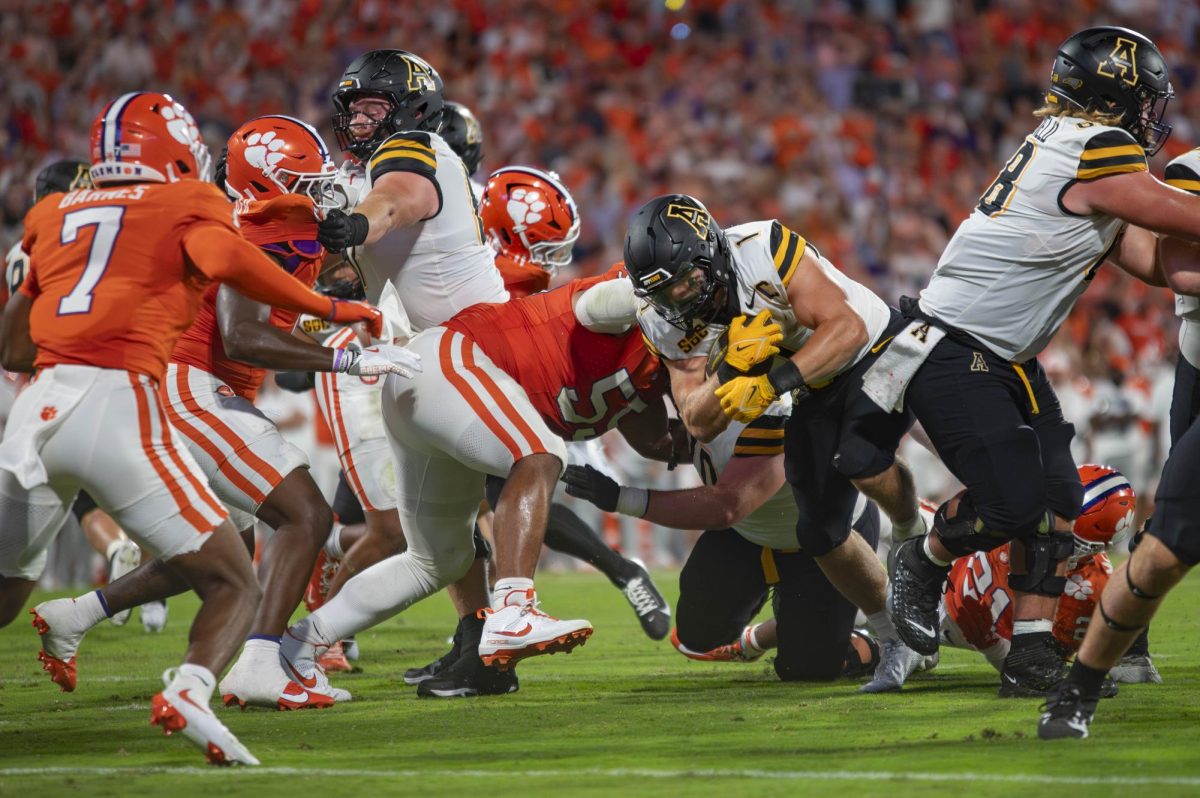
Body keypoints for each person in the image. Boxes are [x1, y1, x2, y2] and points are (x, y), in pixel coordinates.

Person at [0, 92, 382, 765]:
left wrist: (331, 311)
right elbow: (241, 318)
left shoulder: (51, 211)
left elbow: (14, 349)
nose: (322, 192)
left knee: (210, 552)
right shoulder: (200, 207)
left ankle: (78, 613)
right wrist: (339, 326)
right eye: (306, 180)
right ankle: (250, 668)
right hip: (154, 393)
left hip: (42, 407)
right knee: (275, 543)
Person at [881, 26, 1200, 699]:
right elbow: (1181, 218)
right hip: (954, 344)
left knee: (1060, 499)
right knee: (1016, 502)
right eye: (1144, 100)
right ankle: (923, 556)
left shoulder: (1066, 145)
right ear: (1115, 98)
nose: (1151, 116)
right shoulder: (1100, 148)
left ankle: (1029, 654)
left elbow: (1152, 263)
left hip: (999, 352)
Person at [283, 265, 682, 698]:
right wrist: (686, 295)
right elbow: (620, 297)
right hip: (448, 365)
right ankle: (513, 610)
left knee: (435, 561)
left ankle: (298, 645)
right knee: (539, 454)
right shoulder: (615, 302)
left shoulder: (649, 363)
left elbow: (659, 439)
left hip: (426, 389)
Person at [624, 193, 925, 689]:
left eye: (688, 280)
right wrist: (726, 370)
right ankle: (894, 636)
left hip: (875, 352)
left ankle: (915, 533)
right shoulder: (661, 316)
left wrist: (769, 382)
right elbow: (698, 421)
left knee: (870, 460)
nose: (681, 298)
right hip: (808, 391)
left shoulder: (762, 247)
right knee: (819, 532)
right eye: (666, 291)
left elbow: (846, 328)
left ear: (713, 254)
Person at [563, 389, 920, 690]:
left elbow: (727, 505)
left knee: (808, 669)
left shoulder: (779, 404)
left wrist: (621, 498)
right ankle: (805, 613)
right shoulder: (705, 372)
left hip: (826, 542)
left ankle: (862, 633)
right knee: (698, 632)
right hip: (748, 534)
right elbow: (677, 443)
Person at [1038, 140, 1200, 739]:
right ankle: (1082, 686)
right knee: (1166, 547)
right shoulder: (1192, 171)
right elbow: (1179, 269)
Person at [942, 465, 1154, 685]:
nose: (1048, 531)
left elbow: (1035, 662)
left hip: (964, 622)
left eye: (1066, 532)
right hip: (945, 593)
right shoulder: (1016, 515)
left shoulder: (1094, 594)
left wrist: (993, 647)